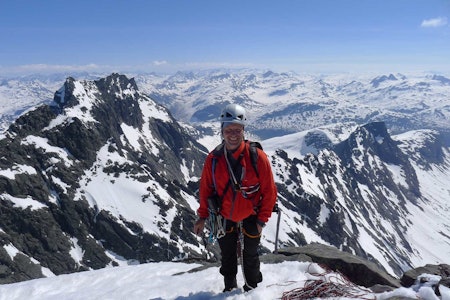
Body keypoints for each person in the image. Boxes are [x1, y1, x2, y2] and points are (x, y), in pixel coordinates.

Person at [193, 103, 277, 292]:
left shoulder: (257, 157)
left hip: (252, 214)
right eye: (228, 129)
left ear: (243, 131)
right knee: (228, 254)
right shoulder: (213, 159)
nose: (232, 134)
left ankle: (252, 287)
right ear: (222, 131)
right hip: (223, 214)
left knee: (251, 254)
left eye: (237, 130)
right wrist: (202, 216)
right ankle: (229, 287)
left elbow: (270, 191)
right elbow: (206, 189)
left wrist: (262, 220)